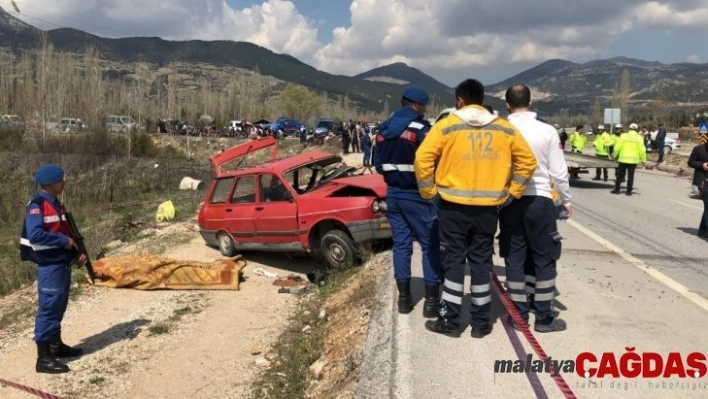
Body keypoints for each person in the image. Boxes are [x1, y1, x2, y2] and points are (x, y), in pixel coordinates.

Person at [414, 79, 537, 338]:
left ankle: (451, 321)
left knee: (454, 262)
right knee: (482, 263)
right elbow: (528, 162)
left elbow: (422, 159)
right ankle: (481, 323)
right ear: (481, 100)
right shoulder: (504, 129)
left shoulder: (446, 126)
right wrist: (512, 193)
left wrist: (430, 193)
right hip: (487, 210)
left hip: (452, 208)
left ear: (459, 100)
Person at [499, 84, 571, 333]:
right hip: (540, 200)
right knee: (544, 258)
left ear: (507, 104)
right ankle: (543, 317)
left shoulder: (500, 130)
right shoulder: (547, 131)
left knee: (514, 257)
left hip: (508, 201)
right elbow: (559, 172)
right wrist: (566, 200)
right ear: (530, 102)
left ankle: (519, 315)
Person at [374, 85, 443, 317]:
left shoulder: (383, 130)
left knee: (401, 245)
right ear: (416, 105)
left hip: (393, 194)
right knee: (429, 245)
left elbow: (379, 166)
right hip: (418, 195)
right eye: (423, 106)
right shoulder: (422, 130)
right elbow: (434, 161)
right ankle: (431, 304)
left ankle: (404, 300)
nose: (423, 110)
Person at [19, 164, 86, 374]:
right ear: (51, 184)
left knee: (58, 305)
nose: (64, 183)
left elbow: (68, 232)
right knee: (48, 309)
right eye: (61, 181)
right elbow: (36, 235)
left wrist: (77, 252)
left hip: (61, 262)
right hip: (50, 265)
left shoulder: (57, 204)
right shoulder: (37, 206)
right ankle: (43, 358)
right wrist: (63, 240)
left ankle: (56, 346)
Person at [611, 123, 646, 196]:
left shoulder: (623, 136)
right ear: (637, 129)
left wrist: (614, 155)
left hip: (623, 159)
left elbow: (617, 147)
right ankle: (628, 191)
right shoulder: (639, 138)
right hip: (633, 161)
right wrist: (643, 160)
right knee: (631, 176)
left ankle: (617, 190)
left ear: (629, 129)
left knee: (620, 175)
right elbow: (642, 150)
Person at [687, 134, 708, 238]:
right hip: (702, 182)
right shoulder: (699, 149)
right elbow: (690, 162)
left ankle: (703, 231)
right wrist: (702, 165)